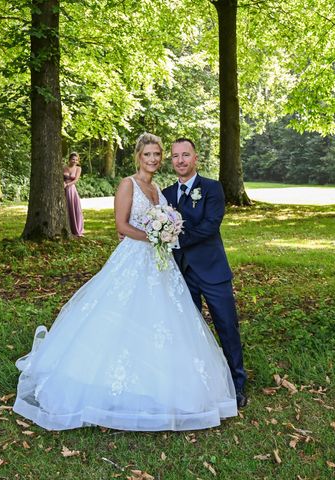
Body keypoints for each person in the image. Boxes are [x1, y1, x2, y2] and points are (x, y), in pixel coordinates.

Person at [12, 133, 238, 431]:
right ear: (138, 157)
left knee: (169, 319)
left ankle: (218, 381)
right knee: (126, 315)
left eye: (158, 154)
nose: (154, 159)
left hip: (164, 262)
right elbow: (121, 225)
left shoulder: (161, 189)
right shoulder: (127, 184)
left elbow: (181, 222)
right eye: (148, 155)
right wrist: (155, 236)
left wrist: (165, 236)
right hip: (135, 258)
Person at [162, 138, 248, 408]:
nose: (180, 161)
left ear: (195, 158)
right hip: (181, 274)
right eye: (175, 156)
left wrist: (174, 239)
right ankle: (197, 384)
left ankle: (237, 384)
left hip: (212, 271)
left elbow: (211, 225)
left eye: (185, 155)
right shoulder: (165, 194)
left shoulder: (211, 188)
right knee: (190, 331)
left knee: (226, 327)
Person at [64, 152, 84, 237]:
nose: (74, 161)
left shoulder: (78, 168)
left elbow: (76, 180)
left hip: (71, 189)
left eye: (76, 160)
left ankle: (76, 229)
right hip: (62, 189)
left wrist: (67, 185)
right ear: (69, 159)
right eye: (73, 159)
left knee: (73, 207)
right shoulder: (64, 167)